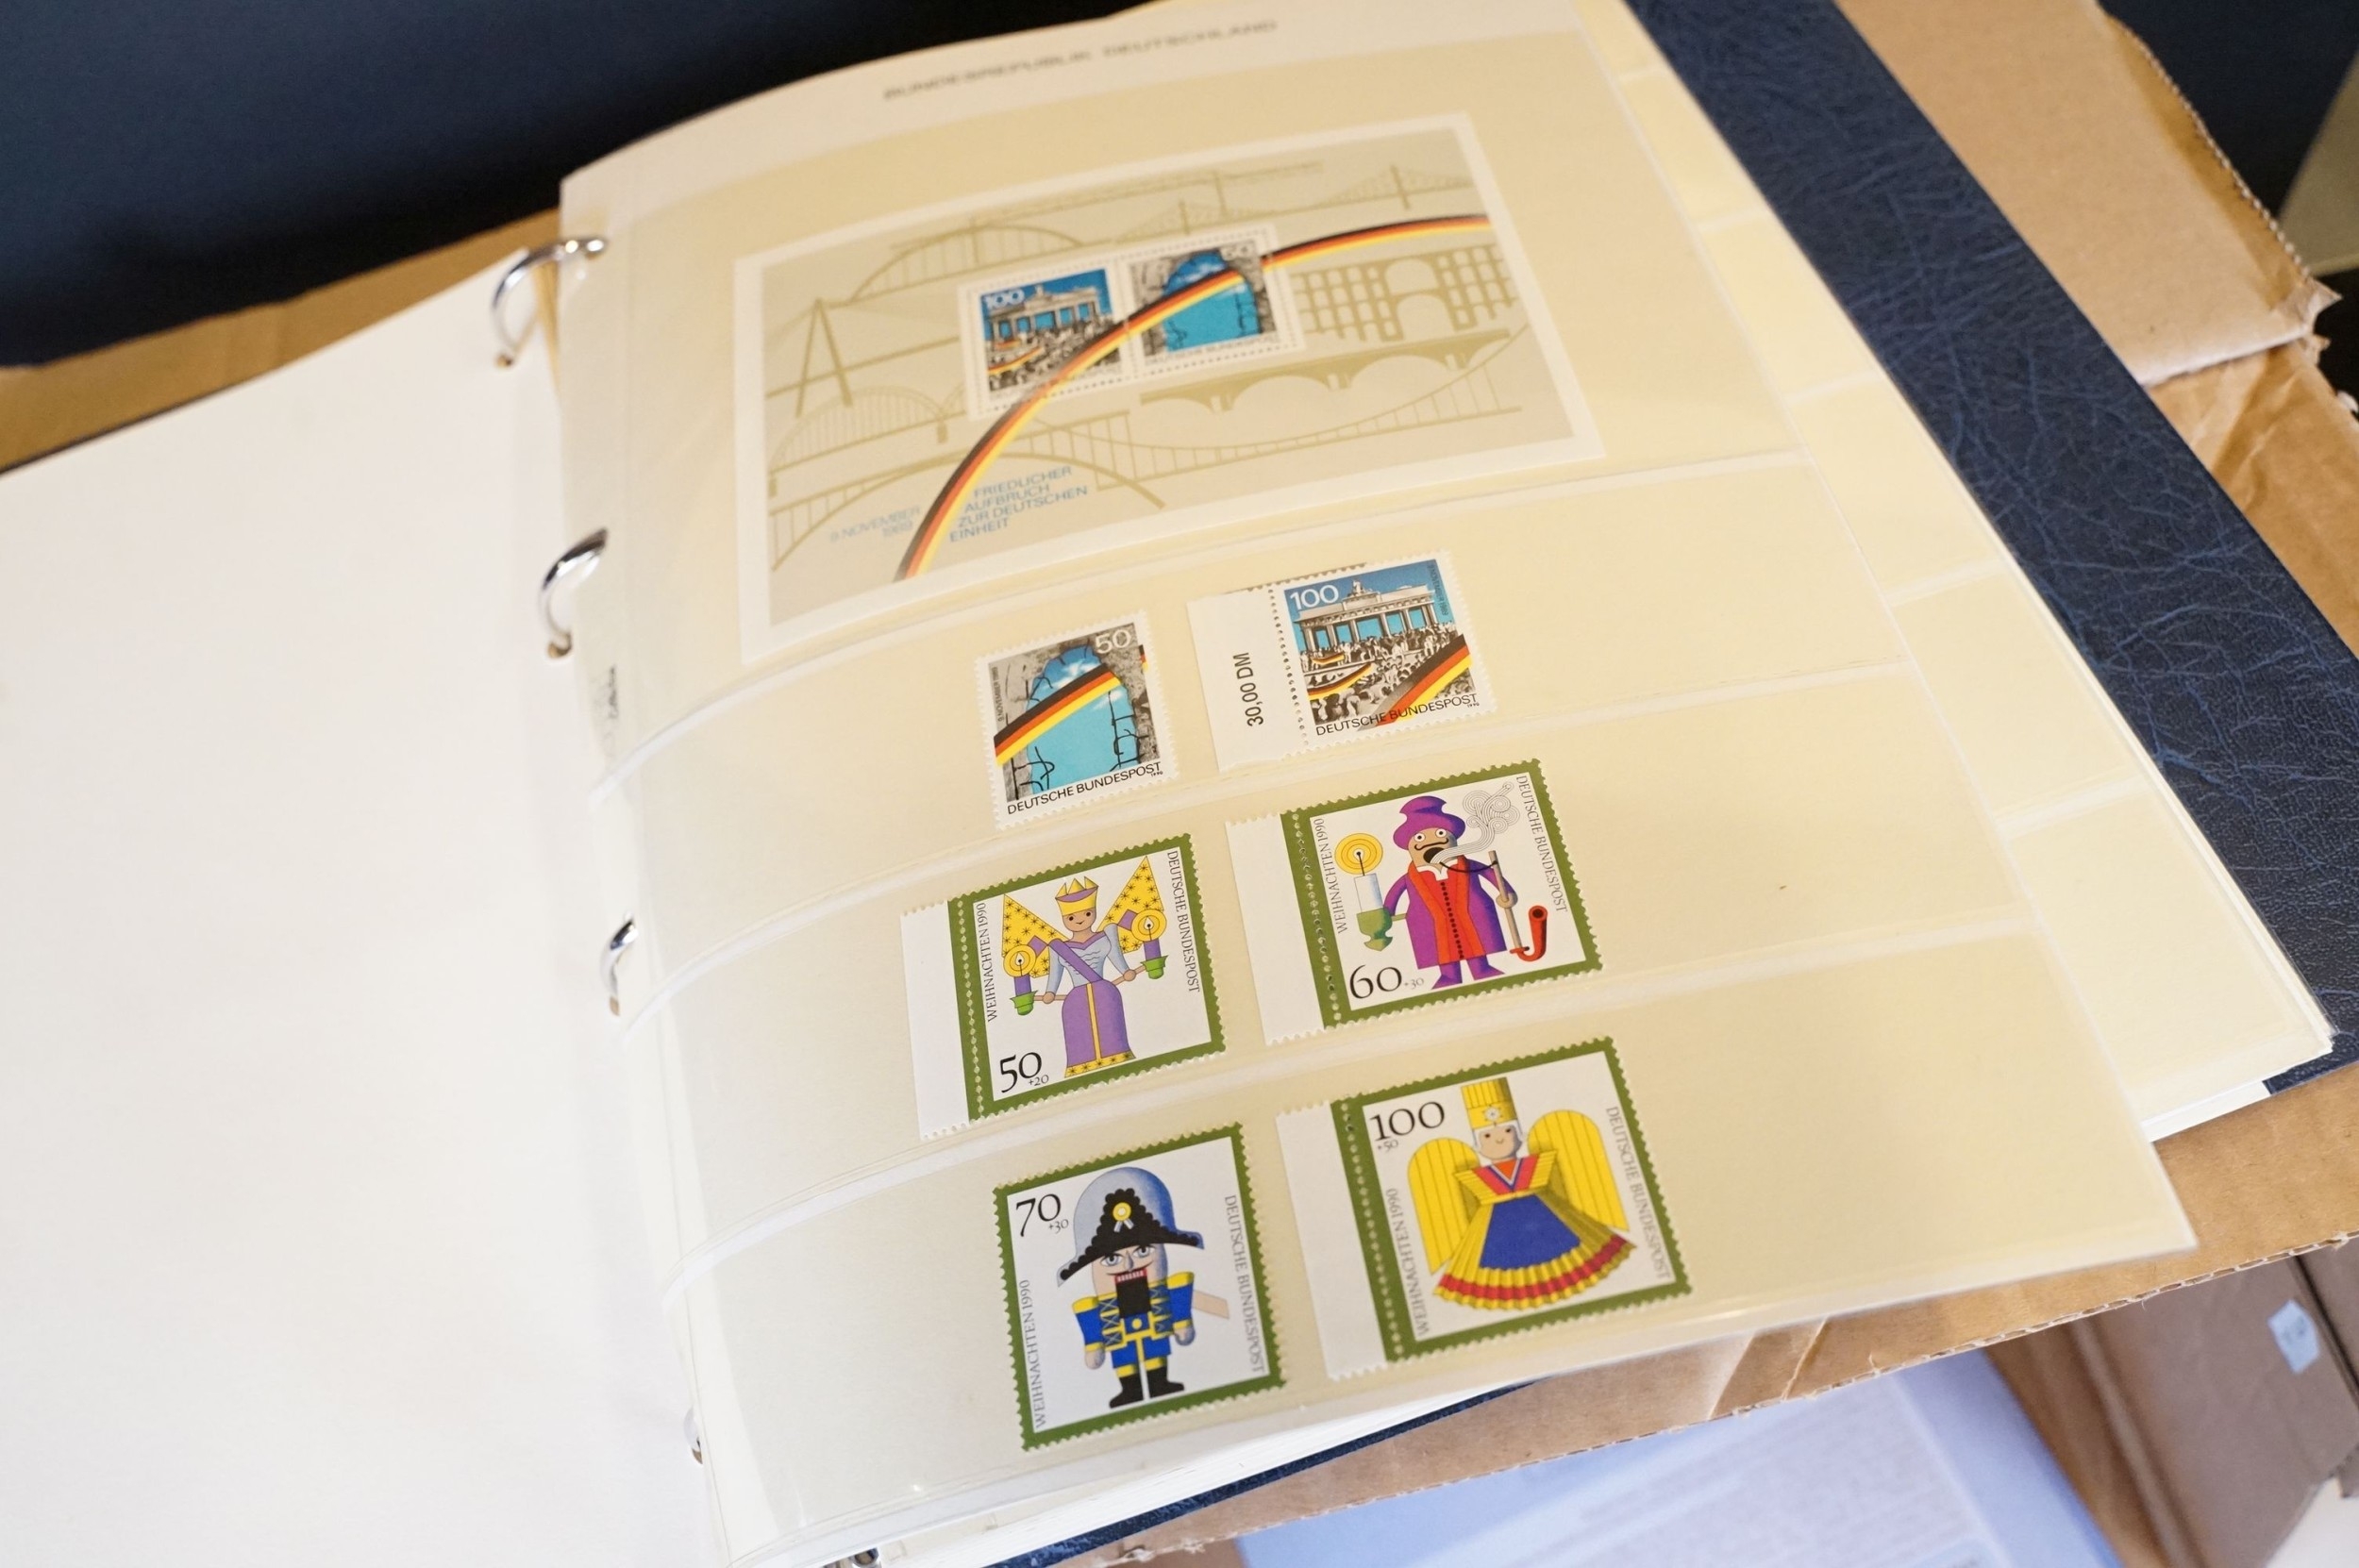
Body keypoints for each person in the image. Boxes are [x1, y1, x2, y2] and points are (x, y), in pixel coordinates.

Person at [1061, 1167, 1230, 1407]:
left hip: (1155, 1330)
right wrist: (1094, 1345)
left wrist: (1182, 1322)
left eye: (1142, 1251)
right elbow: (1091, 1321)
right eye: (1112, 1259)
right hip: (1120, 1337)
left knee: (1155, 1352)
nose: (1128, 1265)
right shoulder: (1101, 1303)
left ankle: (1159, 1381)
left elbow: (1178, 1298)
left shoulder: (1166, 1287)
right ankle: (1129, 1389)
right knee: (1124, 1358)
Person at [1372, 795, 1515, 988]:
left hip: (1472, 914)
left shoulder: (1469, 866)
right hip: (1429, 921)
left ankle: (1482, 969)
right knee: (1442, 949)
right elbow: (1393, 896)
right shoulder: (1410, 878)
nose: (1432, 843)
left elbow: (1492, 875)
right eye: (1419, 838)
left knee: (1475, 942)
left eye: (1441, 833)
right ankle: (1448, 977)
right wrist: (1385, 915)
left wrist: (1507, 893)